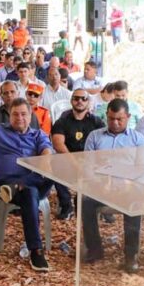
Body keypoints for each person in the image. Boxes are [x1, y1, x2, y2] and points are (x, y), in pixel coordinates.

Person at [0, 99, 54, 272]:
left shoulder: (38, 135)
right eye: (15, 114)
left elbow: (47, 149)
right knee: (30, 193)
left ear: (30, 116)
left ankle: (21, 185)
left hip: (34, 181)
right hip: (6, 184)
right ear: (10, 116)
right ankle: (36, 251)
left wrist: (45, 158)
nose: (19, 118)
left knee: (53, 170)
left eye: (23, 114)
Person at [80, 99, 144, 271]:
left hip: (128, 188)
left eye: (120, 119)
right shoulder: (94, 137)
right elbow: (87, 166)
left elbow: (143, 170)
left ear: (128, 117)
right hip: (101, 186)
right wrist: (98, 183)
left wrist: (128, 184)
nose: (115, 123)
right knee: (84, 201)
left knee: (134, 203)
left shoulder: (138, 140)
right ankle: (94, 249)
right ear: (106, 116)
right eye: (111, 119)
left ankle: (131, 255)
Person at [51, 88, 106, 217]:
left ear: (88, 102)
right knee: (55, 163)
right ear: (71, 101)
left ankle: (98, 203)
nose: (79, 101)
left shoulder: (96, 122)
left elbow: (104, 143)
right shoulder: (63, 120)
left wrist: (88, 162)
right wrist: (74, 161)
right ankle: (66, 205)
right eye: (76, 98)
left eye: (83, 98)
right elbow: (58, 144)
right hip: (68, 159)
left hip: (90, 160)